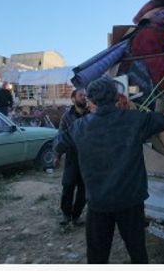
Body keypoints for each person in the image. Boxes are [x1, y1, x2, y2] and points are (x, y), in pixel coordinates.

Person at [60, 77, 164, 264]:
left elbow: (58, 144)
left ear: (90, 100)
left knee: (97, 256)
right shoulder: (135, 120)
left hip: (98, 202)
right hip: (130, 200)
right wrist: (130, 110)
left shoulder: (79, 126)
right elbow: (162, 121)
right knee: (137, 251)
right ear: (117, 97)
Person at [53, 89, 90, 227]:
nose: (84, 97)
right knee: (68, 185)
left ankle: (76, 216)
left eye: (85, 95)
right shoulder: (66, 117)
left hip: (87, 157)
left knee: (84, 188)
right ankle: (65, 215)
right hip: (72, 156)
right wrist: (57, 155)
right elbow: (60, 137)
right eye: (81, 95)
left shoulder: (91, 114)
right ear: (73, 99)